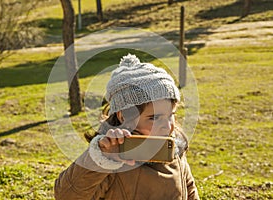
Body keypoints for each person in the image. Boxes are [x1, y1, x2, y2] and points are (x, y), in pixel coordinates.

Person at [54, 54, 199, 200]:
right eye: (154, 118)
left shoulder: (174, 148)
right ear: (123, 116)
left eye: (171, 115)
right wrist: (101, 159)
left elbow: (190, 189)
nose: (167, 126)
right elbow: (66, 195)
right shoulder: (110, 156)